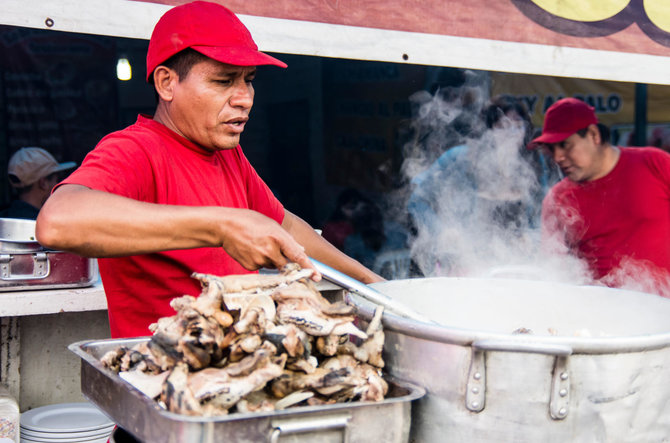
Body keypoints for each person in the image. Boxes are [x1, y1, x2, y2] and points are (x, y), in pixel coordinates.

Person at [35, 1, 382, 338]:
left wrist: (373, 284)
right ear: (167, 83)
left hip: (240, 364)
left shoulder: (226, 154)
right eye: (223, 81)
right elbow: (58, 222)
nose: (244, 97)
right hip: (167, 379)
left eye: (248, 79)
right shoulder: (135, 149)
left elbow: (285, 224)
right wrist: (222, 225)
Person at [532, 97, 670, 296]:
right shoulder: (557, 199)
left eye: (565, 145)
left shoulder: (655, 163)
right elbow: (554, 270)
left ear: (594, 135)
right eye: (552, 149)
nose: (557, 157)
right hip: (600, 317)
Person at [406, 95, 552, 276]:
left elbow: (543, 216)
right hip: (464, 264)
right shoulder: (458, 159)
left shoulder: (534, 166)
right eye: (503, 127)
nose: (512, 134)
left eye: (518, 126)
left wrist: (531, 238)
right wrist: (441, 231)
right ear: (487, 131)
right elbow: (417, 201)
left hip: (513, 268)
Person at [0, 147, 75, 219]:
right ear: (43, 183)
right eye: (57, 180)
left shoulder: (4, 218)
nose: (58, 185)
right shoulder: (46, 225)